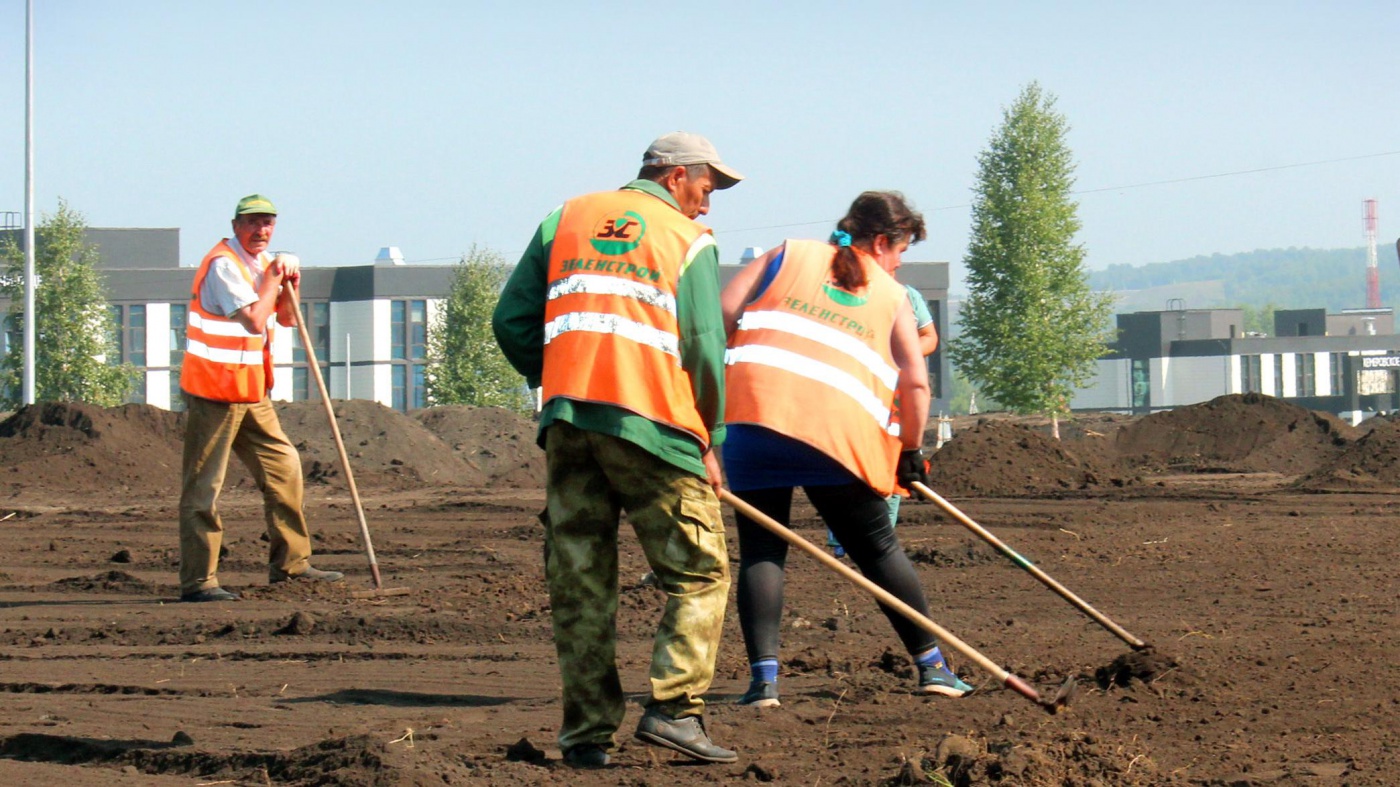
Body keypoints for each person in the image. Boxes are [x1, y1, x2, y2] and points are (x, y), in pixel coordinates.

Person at [492, 133, 744, 768]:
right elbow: (706, 349)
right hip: (653, 428)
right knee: (700, 572)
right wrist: (710, 438)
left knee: (581, 584)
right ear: (676, 175)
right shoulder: (687, 241)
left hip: (570, 426)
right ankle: (675, 711)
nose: (706, 206)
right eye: (706, 190)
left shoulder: (564, 218)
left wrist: (554, 376)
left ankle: (584, 737)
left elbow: (511, 322)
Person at [721, 191, 974, 709]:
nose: (900, 263)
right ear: (881, 242)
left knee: (763, 550)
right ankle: (933, 668)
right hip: (835, 436)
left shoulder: (786, 253)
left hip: (752, 422)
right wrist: (909, 450)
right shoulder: (891, 293)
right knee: (878, 549)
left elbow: (722, 313)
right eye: (900, 251)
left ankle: (763, 684)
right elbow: (916, 385)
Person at [178, 194, 344, 603]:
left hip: (251, 391)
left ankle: (292, 564)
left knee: (285, 468)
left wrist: (291, 283)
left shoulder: (258, 264)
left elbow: (286, 318)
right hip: (215, 391)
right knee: (204, 488)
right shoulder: (223, 266)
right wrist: (273, 276)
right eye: (253, 223)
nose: (262, 230)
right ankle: (199, 582)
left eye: (268, 223)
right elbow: (254, 321)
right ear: (236, 226)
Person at [827, 279, 938, 554]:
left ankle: (880, 535)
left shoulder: (908, 294)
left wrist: (899, 354)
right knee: (847, 458)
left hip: (894, 392)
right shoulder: (836, 292)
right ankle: (841, 538)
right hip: (852, 387)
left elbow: (929, 337)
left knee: (892, 459)